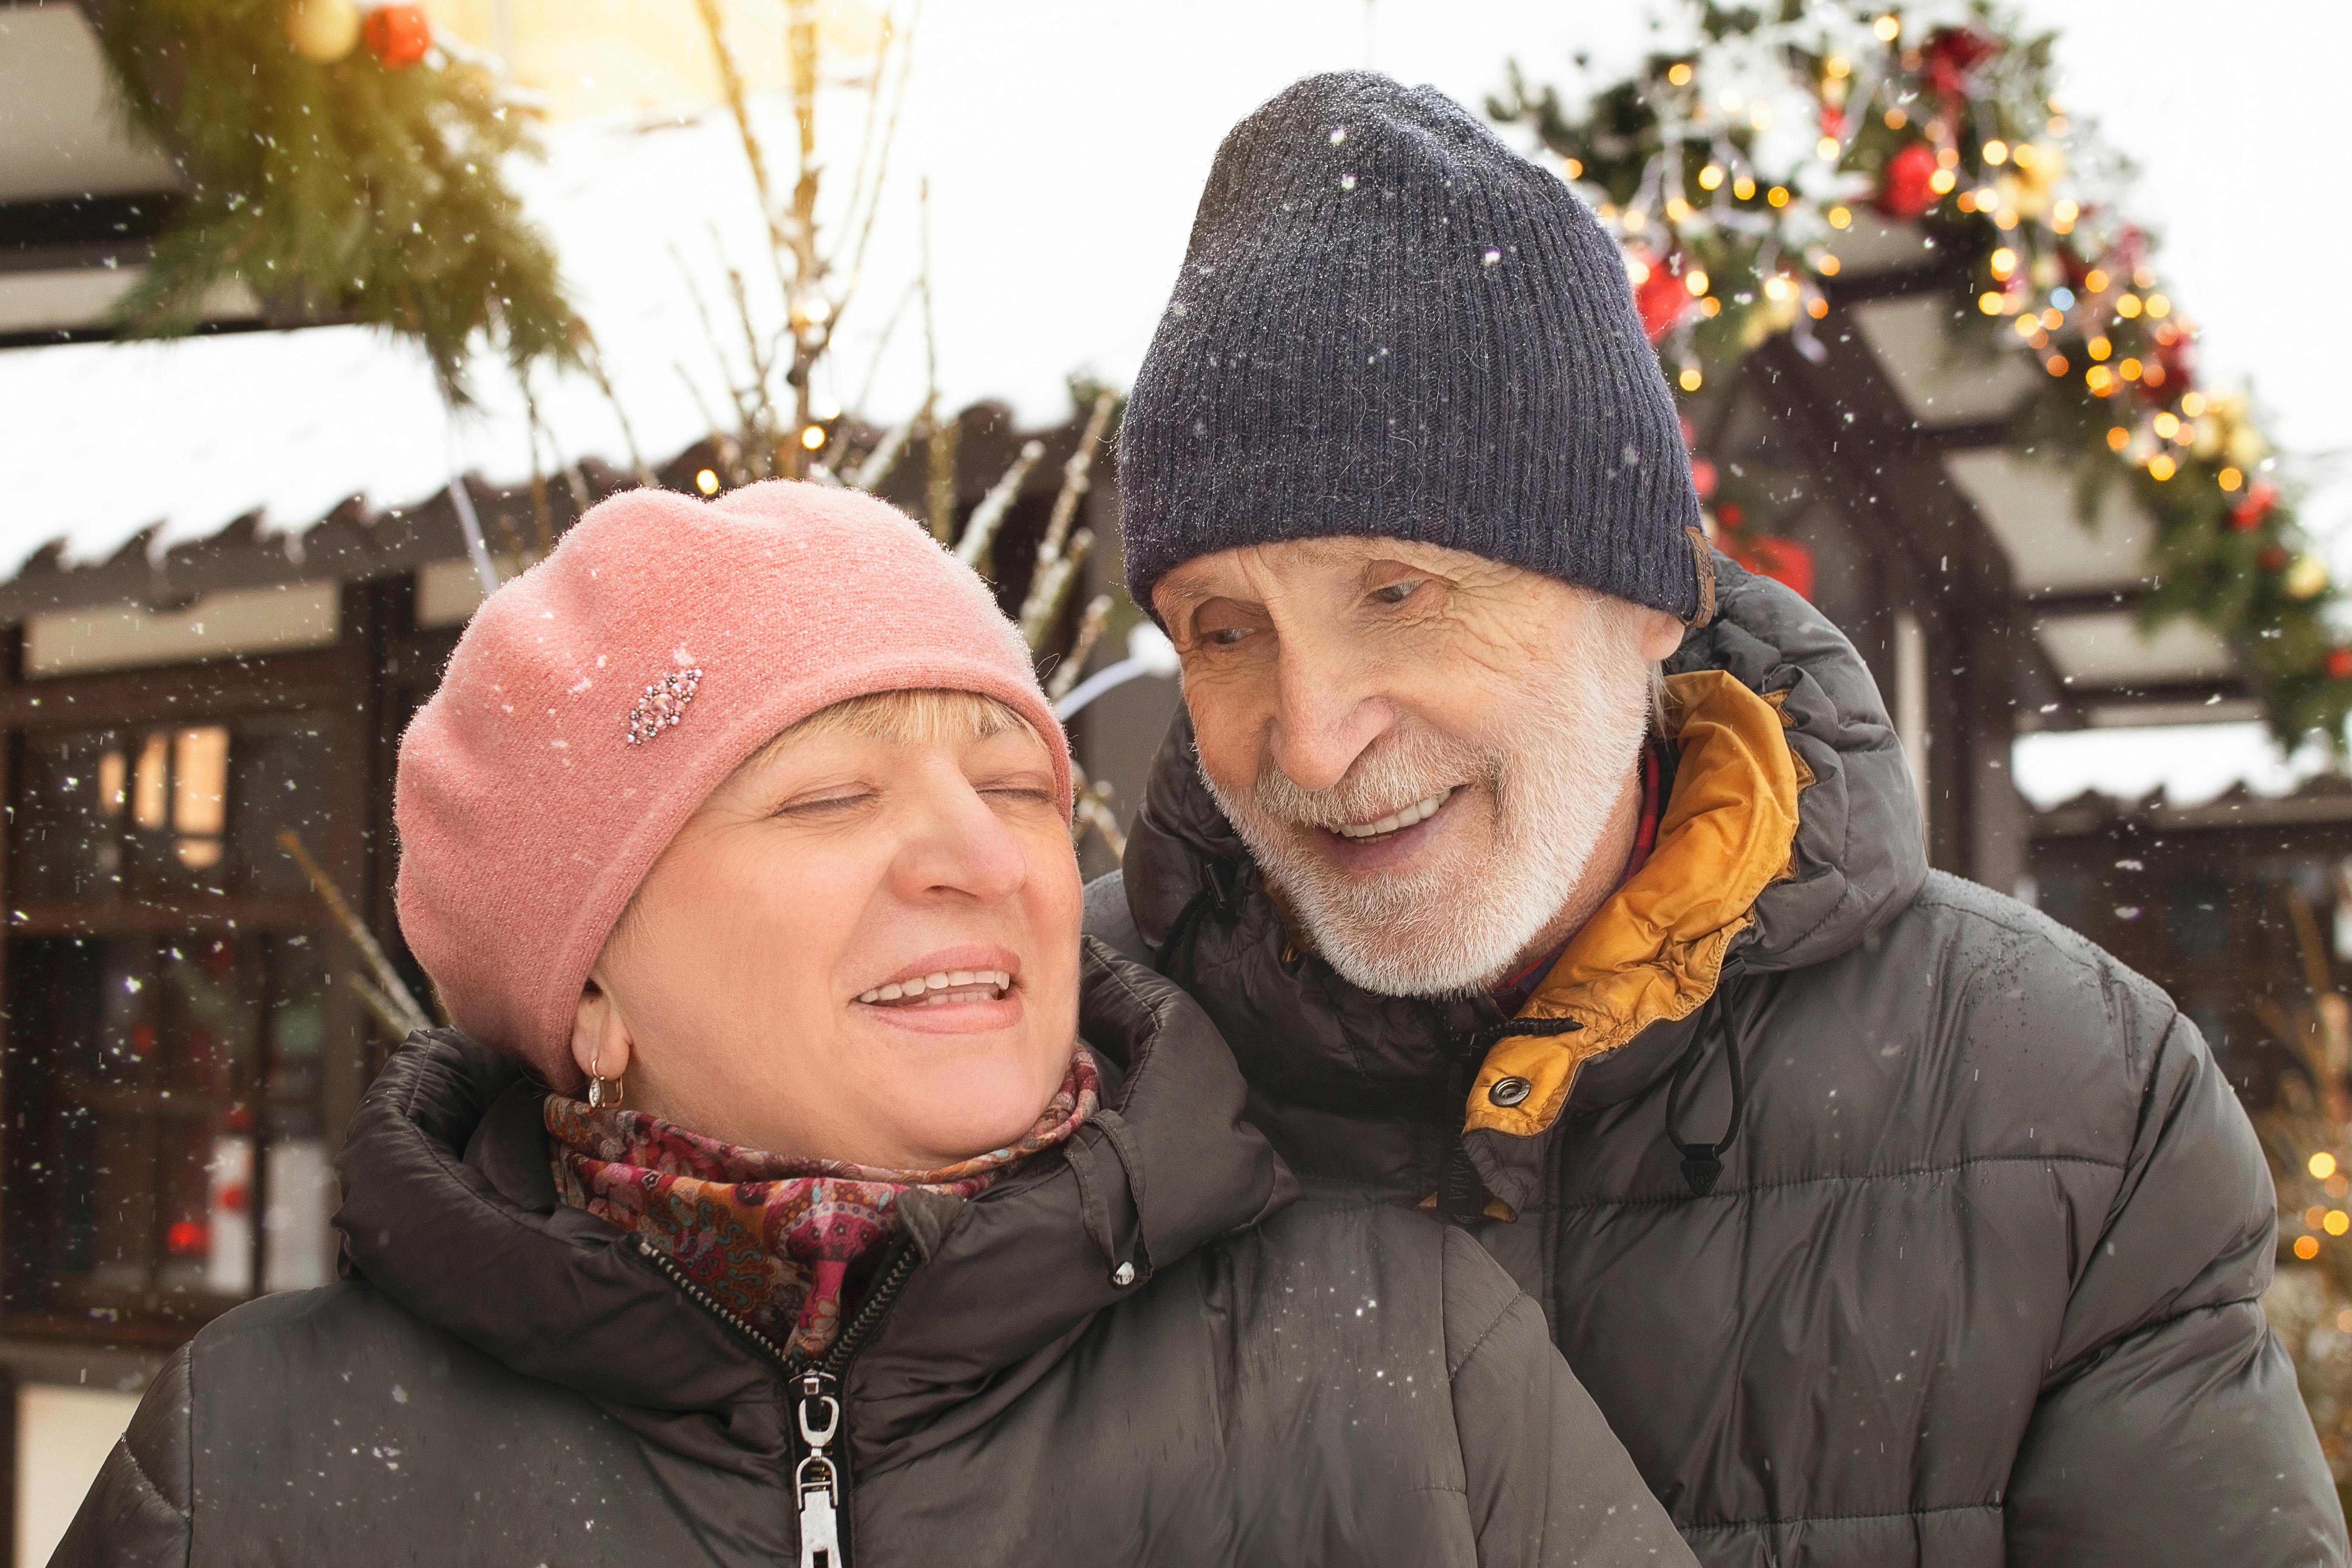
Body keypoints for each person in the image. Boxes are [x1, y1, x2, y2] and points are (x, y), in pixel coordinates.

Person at [1088, 69, 2350, 1566]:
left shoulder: (2076, 1105)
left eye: (1400, 593)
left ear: (1646, 603)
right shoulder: (1059, 1068)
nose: (1312, 734)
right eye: (1224, 628)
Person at [55, 479, 1691, 1567]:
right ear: (592, 991)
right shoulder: (268, 1464)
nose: (977, 857)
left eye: (1011, 785)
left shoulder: (1397, 1359)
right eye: (828, 795)